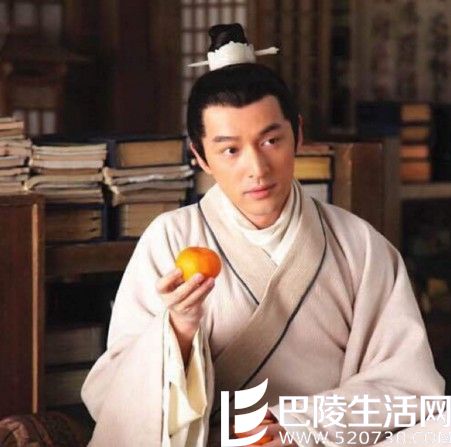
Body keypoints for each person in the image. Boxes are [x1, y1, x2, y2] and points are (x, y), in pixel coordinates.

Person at [81, 24, 445, 447]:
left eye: (271, 140)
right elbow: (110, 396)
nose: (256, 168)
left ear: (298, 135)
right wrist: (178, 330)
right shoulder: (170, 239)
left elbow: (411, 387)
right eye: (230, 150)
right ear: (200, 156)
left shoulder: (358, 244)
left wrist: (299, 426)